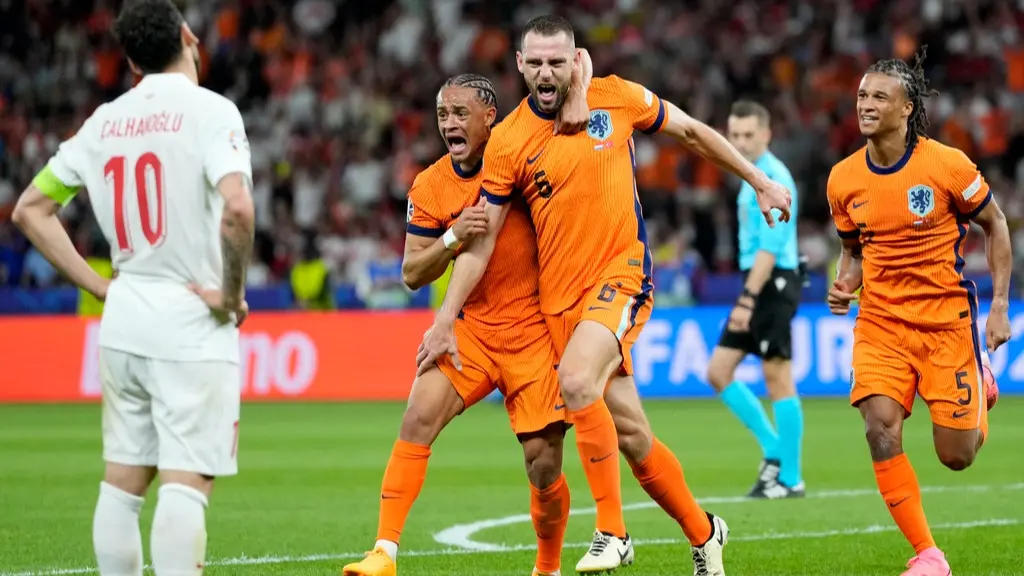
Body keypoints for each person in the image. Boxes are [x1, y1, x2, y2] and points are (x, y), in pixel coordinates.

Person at [416, 14, 792, 576]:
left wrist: (758, 180)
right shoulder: (508, 142)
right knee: (635, 436)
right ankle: (705, 532)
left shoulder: (616, 98)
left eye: (557, 60)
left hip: (621, 276)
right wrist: (446, 315)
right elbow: (483, 238)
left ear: (575, 60)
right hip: (558, 304)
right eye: (535, 61)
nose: (546, 71)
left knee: (573, 381)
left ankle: (612, 531)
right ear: (520, 65)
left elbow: (691, 131)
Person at [12, 1, 254, 574]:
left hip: (123, 320)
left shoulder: (104, 121)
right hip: (190, 319)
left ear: (130, 60)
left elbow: (30, 209)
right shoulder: (212, 111)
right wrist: (231, 293)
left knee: (123, 482)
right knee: (186, 481)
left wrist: (99, 285)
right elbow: (238, 209)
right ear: (189, 37)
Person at [343, 65, 593, 576]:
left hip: (533, 334)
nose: (449, 123)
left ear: (489, 118)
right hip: (471, 331)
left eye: (460, 112)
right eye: (441, 114)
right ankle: (383, 553)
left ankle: (547, 568)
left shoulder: (523, 160)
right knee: (416, 417)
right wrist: (453, 237)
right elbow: (412, 272)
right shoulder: (430, 185)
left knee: (543, 465)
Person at [826, 47, 1010, 576]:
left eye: (879, 97)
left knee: (958, 455)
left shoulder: (947, 165)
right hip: (881, 323)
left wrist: (998, 307)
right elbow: (853, 249)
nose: (865, 104)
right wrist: (844, 286)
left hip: (946, 324)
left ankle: (979, 380)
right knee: (880, 429)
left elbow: (996, 225)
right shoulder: (843, 179)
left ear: (906, 109)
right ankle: (929, 555)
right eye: (862, 95)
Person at [706, 100, 805, 499]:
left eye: (749, 134)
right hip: (759, 281)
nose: (741, 142)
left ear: (766, 134)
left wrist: (747, 301)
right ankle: (774, 451)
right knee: (718, 370)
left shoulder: (775, 179)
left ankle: (790, 477)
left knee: (777, 377)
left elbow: (769, 249)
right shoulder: (748, 178)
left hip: (773, 282)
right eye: (735, 135)